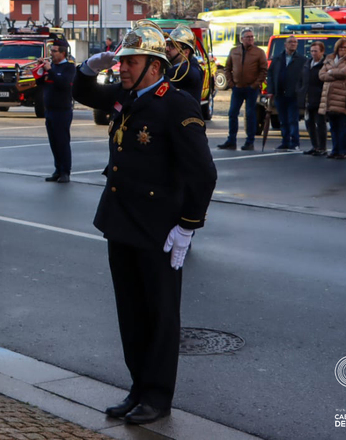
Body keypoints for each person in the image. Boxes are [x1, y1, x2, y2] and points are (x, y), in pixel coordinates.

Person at [73, 25, 217, 426]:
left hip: (158, 227)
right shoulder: (126, 97)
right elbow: (83, 93)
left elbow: (203, 174)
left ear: (154, 67)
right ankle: (138, 388)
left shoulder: (177, 105)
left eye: (130, 62)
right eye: (121, 62)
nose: (121, 69)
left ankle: (158, 396)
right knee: (131, 313)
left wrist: (188, 226)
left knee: (159, 315)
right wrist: (89, 66)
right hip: (121, 220)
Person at [33, 37, 75, 182]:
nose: (51, 53)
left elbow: (63, 83)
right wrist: (39, 69)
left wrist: (50, 70)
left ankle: (65, 171)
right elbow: (40, 83)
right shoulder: (51, 68)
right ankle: (58, 169)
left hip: (62, 110)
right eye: (51, 50)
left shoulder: (69, 67)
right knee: (53, 142)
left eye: (54, 51)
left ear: (63, 53)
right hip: (49, 110)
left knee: (62, 141)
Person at [219, 28, 267, 151]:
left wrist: (255, 84)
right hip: (237, 88)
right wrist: (231, 83)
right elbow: (227, 68)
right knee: (232, 113)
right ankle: (231, 141)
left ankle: (249, 142)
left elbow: (263, 70)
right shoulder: (234, 51)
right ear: (242, 39)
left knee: (250, 115)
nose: (251, 39)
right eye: (248, 37)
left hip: (251, 88)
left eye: (252, 37)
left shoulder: (259, 52)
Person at [318, 38, 346, 160]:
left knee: (344, 127)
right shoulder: (329, 58)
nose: (342, 50)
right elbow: (321, 75)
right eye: (340, 48)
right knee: (334, 127)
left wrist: (330, 72)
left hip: (342, 97)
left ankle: (345, 151)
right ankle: (335, 150)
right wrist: (335, 73)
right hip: (329, 98)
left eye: (345, 48)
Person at [265, 35, 305, 151]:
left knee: (293, 120)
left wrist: (301, 91)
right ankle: (285, 141)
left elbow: (304, 77)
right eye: (290, 42)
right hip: (280, 94)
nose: (293, 44)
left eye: (295, 42)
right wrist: (270, 91)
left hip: (293, 95)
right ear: (285, 44)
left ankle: (294, 142)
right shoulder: (277, 59)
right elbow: (270, 75)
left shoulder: (301, 60)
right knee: (283, 120)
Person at [299, 41, 328, 156]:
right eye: (311, 51)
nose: (313, 53)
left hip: (319, 98)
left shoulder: (325, 65)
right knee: (309, 123)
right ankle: (314, 146)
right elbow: (301, 79)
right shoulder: (307, 63)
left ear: (322, 52)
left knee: (320, 123)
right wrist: (300, 91)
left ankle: (322, 147)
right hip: (307, 98)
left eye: (316, 51)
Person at [165, 26, 204, 105]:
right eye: (167, 44)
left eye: (172, 46)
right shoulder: (190, 66)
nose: (167, 49)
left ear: (186, 52)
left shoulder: (185, 71)